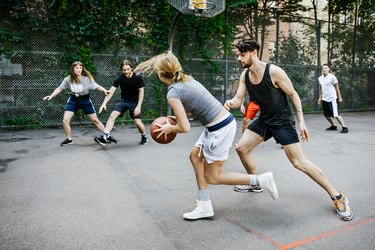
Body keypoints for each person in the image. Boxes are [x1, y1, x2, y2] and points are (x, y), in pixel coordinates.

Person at [135, 51, 278, 220]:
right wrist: (179, 117)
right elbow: (195, 105)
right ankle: (204, 205)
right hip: (220, 123)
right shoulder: (187, 79)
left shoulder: (172, 93)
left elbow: (184, 127)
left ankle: (260, 181)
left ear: (161, 74)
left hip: (220, 129)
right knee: (195, 156)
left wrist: (169, 129)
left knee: (213, 176)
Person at [225, 39, 353, 221]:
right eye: (237, 55)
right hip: (264, 120)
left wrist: (301, 121)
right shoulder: (245, 75)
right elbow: (239, 98)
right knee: (241, 148)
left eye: (242, 54)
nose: (238, 58)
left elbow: (293, 94)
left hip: (283, 122)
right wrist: (231, 103)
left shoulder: (274, 72)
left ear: (253, 52)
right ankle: (254, 182)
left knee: (299, 162)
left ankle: (338, 197)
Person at [43, 61, 109, 146]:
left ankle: (107, 136)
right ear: (73, 69)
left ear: (82, 69)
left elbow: (97, 86)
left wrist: (104, 90)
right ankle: (69, 139)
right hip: (73, 101)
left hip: (85, 101)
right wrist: (51, 96)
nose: (78, 70)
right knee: (65, 120)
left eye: (80, 68)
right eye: (76, 68)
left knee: (95, 120)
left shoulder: (86, 79)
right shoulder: (68, 79)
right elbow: (60, 88)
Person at [94, 59, 148, 145]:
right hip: (124, 101)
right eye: (124, 70)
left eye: (128, 69)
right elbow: (111, 92)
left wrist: (138, 106)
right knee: (112, 115)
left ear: (131, 69)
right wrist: (104, 103)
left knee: (138, 122)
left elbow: (141, 92)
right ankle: (105, 136)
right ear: (121, 70)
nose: (126, 71)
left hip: (135, 102)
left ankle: (144, 136)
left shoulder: (138, 77)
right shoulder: (119, 78)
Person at [317, 64, 348, 133]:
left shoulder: (332, 77)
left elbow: (337, 88)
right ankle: (333, 126)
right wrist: (320, 98)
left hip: (332, 99)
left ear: (329, 69)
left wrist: (339, 97)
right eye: (323, 68)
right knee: (326, 115)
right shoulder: (320, 78)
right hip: (325, 99)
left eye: (325, 68)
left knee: (336, 114)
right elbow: (322, 88)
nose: (324, 69)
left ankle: (344, 127)